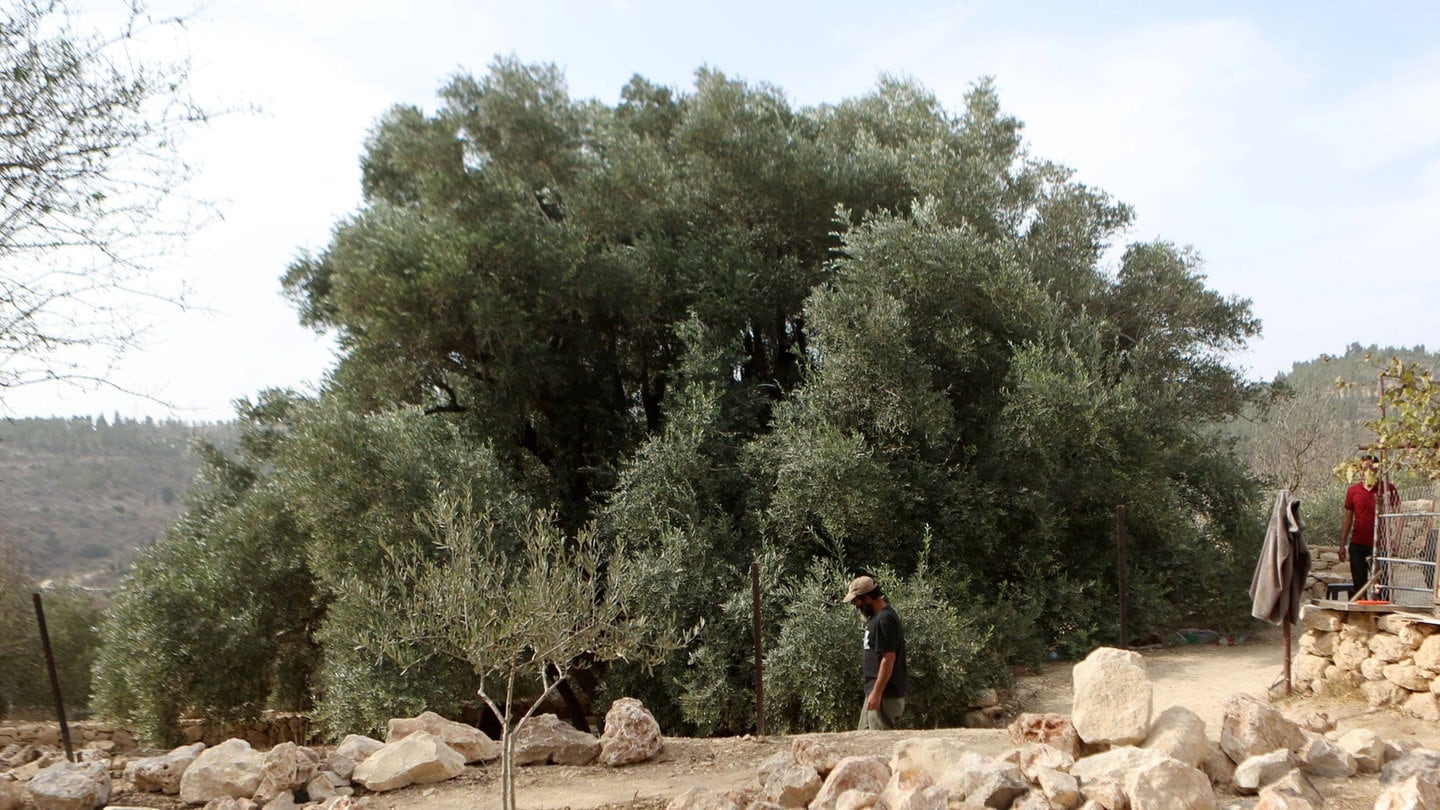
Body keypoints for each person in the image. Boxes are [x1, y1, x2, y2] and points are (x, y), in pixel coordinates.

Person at [841, 574, 909, 730]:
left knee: (880, 741)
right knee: (864, 740)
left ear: (867, 599)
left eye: (855, 601)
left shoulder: (884, 620)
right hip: (875, 692)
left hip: (884, 694)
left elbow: (888, 658)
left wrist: (877, 693)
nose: (855, 605)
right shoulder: (877, 618)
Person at [1339, 453, 1398, 596]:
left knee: (1381, 585)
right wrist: (1342, 544)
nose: (1368, 472)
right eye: (1364, 468)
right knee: (1359, 584)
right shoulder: (1353, 491)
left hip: (1381, 545)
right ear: (1360, 471)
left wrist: (1395, 539)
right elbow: (1348, 518)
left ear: (1377, 470)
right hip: (1358, 544)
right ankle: (1360, 615)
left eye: (1371, 468)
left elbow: (1398, 515)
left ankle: (1381, 615)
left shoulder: (1388, 489)